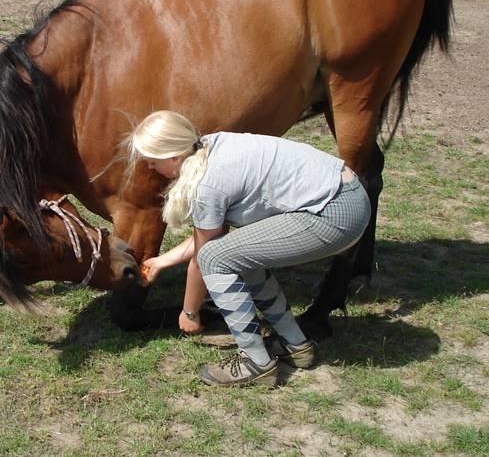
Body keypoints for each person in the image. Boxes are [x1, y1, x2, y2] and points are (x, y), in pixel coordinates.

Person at [128, 110, 371, 387]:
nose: (149, 167)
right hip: (344, 194)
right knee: (236, 252)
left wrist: (189, 313)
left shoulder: (208, 183)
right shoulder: (208, 146)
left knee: (216, 258)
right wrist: (162, 262)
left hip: (335, 212)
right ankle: (295, 345)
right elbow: (206, 236)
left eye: (151, 161)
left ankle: (256, 363)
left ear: (173, 157)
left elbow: (203, 256)